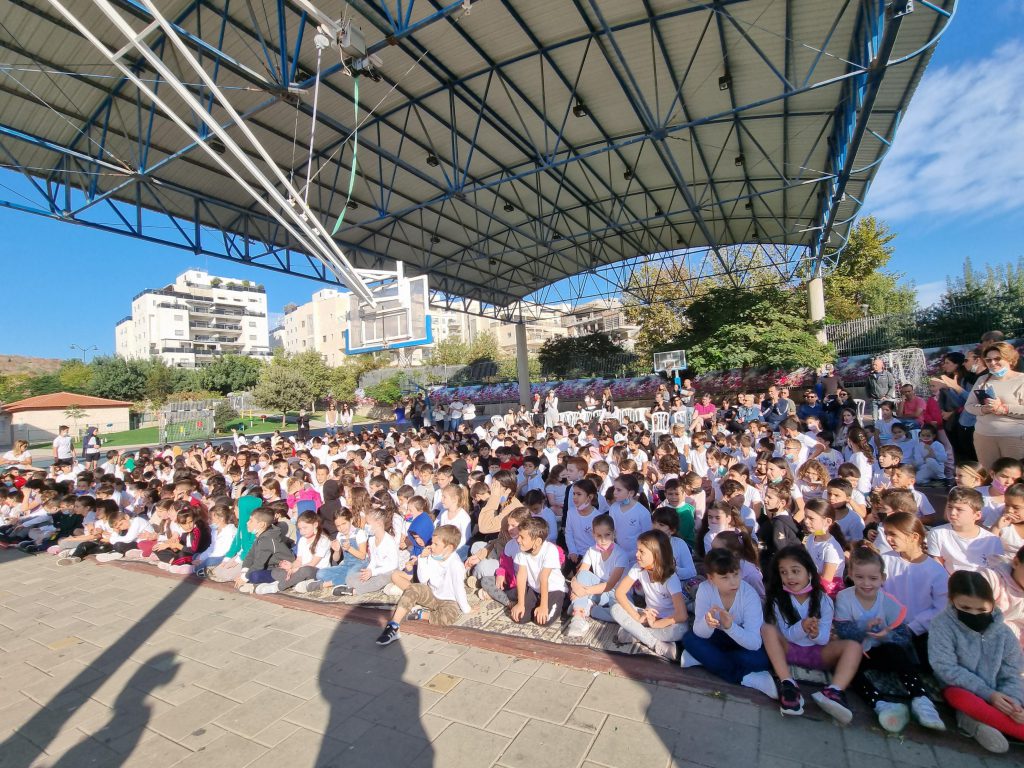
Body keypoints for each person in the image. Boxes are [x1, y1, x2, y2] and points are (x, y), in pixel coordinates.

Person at [835, 543, 946, 733]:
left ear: (883, 578)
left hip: (882, 652)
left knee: (896, 651)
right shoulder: (844, 597)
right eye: (859, 577)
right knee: (847, 665)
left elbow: (904, 637)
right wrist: (863, 627)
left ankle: (920, 698)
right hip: (858, 653)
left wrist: (888, 635)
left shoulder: (889, 602)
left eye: (873, 578)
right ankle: (878, 703)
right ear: (851, 576)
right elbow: (843, 630)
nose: (866, 583)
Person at [759, 545, 862, 723]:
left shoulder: (824, 600)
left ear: (810, 572)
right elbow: (787, 634)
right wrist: (803, 626)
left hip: (818, 653)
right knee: (767, 629)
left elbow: (823, 640)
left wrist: (815, 634)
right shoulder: (779, 600)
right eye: (783, 572)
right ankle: (788, 684)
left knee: (854, 647)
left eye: (795, 571)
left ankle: (834, 691)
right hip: (789, 649)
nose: (789, 576)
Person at [929, 570, 1024, 753]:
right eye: (965, 608)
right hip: (961, 688)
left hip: (999, 693)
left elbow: (1012, 673)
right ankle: (983, 724)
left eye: (981, 609)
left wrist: (1013, 703)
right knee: (963, 699)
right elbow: (945, 667)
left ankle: (987, 722)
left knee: (1017, 698)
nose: (974, 614)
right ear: (952, 601)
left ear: (993, 604)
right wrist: (989, 694)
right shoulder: (941, 625)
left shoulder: (1005, 634)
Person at [682, 548, 774, 696]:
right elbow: (700, 633)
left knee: (761, 659)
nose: (733, 582)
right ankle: (746, 678)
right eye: (724, 577)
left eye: (736, 574)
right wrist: (707, 623)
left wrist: (731, 627)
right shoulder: (705, 590)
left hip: (742, 641)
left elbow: (754, 642)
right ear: (711, 578)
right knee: (689, 639)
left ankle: (706, 659)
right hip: (716, 637)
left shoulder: (749, 595)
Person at [376, 525, 470, 645]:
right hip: (432, 594)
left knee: (450, 616)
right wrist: (422, 559)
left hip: (448, 600)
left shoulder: (455, 564)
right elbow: (423, 579)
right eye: (432, 543)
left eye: (436, 544)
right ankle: (394, 625)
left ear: (449, 547)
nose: (432, 546)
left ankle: (420, 614)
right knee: (413, 588)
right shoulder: (432, 556)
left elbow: (458, 588)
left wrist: (467, 609)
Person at [609, 529, 687, 661]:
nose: (636, 554)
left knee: (681, 631)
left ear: (657, 554)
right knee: (615, 609)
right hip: (646, 616)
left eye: (641, 551)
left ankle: (635, 634)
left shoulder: (670, 578)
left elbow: (681, 615)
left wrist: (657, 624)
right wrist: (638, 617)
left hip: (668, 622)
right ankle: (656, 644)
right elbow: (619, 593)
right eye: (637, 550)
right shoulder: (637, 568)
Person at [566, 513, 628, 637]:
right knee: (583, 575)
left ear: (614, 533)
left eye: (607, 535)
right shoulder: (591, 550)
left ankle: (588, 607)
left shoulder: (621, 554)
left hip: (614, 593)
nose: (603, 540)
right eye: (599, 535)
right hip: (596, 591)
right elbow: (580, 575)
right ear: (593, 534)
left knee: (621, 613)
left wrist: (583, 592)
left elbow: (610, 585)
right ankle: (578, 618)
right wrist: (575, 586)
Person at [963, 341, 1024, 466]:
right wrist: (983, 409)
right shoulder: (982, 379)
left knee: (1015, 478)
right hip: (983, 437)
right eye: (989, 360)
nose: (993, 363)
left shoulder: (1021, 380)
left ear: (1009, 359)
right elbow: (969, 406)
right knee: (989, 476)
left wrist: (1003, 409)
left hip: (1014, 438)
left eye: (997, 359)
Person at [509, 516, 565, 626]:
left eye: (522, 537)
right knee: (520, 617)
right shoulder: (522, 551)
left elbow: (544, 578)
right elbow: (521, 576)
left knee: (543, 620)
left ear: (537, 541)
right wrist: (520, 604)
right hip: (535, 589)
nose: (518, 540)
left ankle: (563, 602)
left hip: (553, 589)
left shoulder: (550, 550)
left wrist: (543, 606)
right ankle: (534, 602)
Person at [866, 357, 897, 422]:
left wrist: (887, 396)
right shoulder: (870, 376)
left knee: (887, 416)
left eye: (876, 365)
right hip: (874, 400)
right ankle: (876, 429)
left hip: (884, 400)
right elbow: (867, 387)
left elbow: (892, 386)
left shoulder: (887, 375)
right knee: (874, 418)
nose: (874, 366)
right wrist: (869, 396)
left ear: (881, 365)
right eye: (873, 364)